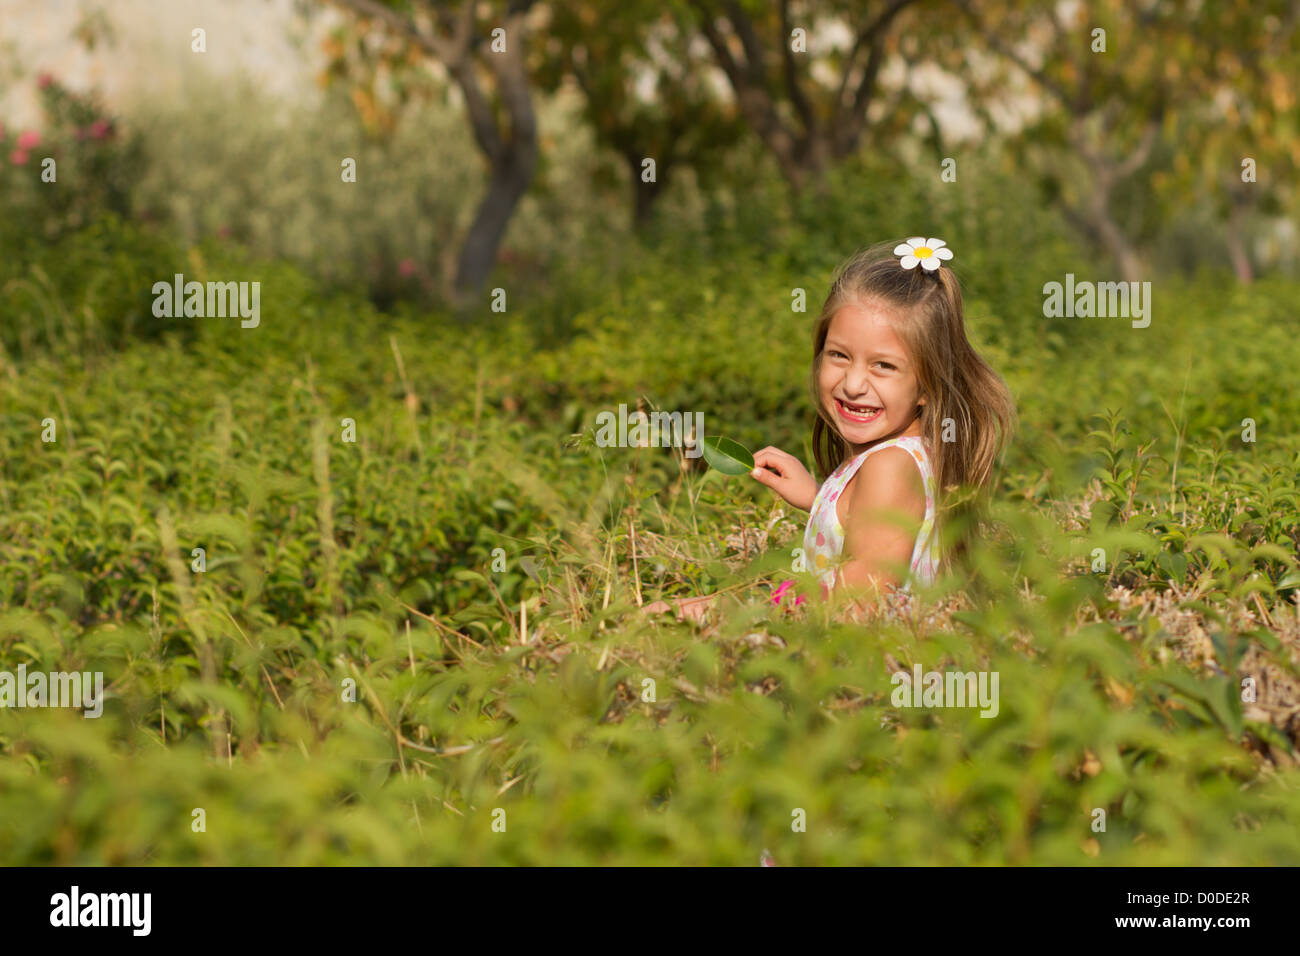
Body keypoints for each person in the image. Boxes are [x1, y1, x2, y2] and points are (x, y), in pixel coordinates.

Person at [753, 237, 1017, 613]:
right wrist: (819, 499)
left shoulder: (890, 466)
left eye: (884, 365)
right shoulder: (898, 458)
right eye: (839, 356)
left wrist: (738, 613)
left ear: (927, 385)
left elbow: (861, 601)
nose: (854, 384)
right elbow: (871, 537)